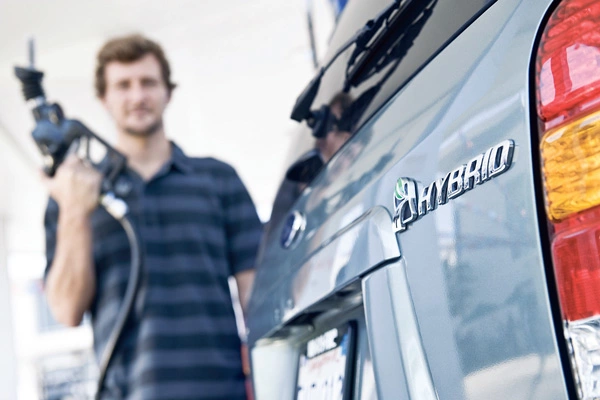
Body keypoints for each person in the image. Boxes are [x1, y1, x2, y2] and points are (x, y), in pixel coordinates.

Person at [42, 34, 262, 399]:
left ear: (167, 92)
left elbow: (256, 297)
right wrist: (75, 211)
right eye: (123, 85)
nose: (137, 96)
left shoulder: (218, 179)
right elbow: (66, 311)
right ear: (104, 99)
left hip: (220, 390)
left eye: (148, 82)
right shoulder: (72, 197)